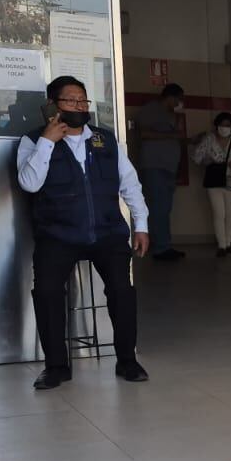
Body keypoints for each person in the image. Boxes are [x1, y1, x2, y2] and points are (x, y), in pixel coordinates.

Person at [16, 76, 152, 390]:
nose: (80, 106)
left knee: (122, 291)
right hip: (57, 234)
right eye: (71, 101)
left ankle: (127, 361)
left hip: (106, 232)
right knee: (47, 293)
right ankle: (56, 367)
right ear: (52, 105)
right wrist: (48, 141)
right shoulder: (33, 141)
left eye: (83, 101)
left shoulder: (105, 140)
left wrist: (140, 225)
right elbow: (29, 183)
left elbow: (130, 185)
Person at [190, 112, 231, 257]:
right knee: (219, 213)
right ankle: (222, 246)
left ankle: (228, 243)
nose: (224, 128)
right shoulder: (209, 140)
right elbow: (196, 158)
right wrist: (208, 160)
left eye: (227, 125)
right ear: (216, 126)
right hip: (215, 182)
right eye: (221, 124)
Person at [136, 83, 186, 261]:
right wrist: (173, 136)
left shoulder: (171, 115)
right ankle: (160, 247)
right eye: (178, 99)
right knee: (158, 208)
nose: (179, 103)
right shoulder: (150, 110)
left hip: (168, 167)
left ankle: (162, 244)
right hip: (154, 166)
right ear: (171, 97)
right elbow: (144, 134)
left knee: (164, 208)